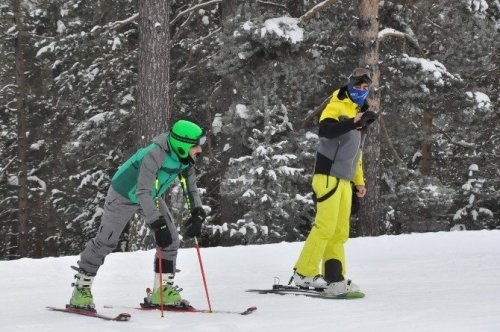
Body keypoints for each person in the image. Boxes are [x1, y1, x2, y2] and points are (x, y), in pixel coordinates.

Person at [68, 119, 208, 310]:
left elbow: (191, 189)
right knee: (106, 241)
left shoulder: (186, 160)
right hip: (123, 194)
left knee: (171, 240)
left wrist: (197, 212)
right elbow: (142, 191)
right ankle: (80, 291)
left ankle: (162, 291)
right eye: (196, 146)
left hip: (151, 195)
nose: (199, 150)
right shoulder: (154, 154)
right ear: (182, 145)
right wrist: (157, 223)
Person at [292, 68, 378, 296]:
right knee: (325, 226)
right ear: (349, 86)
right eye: (357, 87)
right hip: (327, 175)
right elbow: (325, 130)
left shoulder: (360, 112)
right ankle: (303, 273)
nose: (361, 91)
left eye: (364, 88)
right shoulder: (337, 105)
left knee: (339, 232)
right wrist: (353, 122)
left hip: (345, 180)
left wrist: (359, 182)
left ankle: (333, 278)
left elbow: (356, 154)